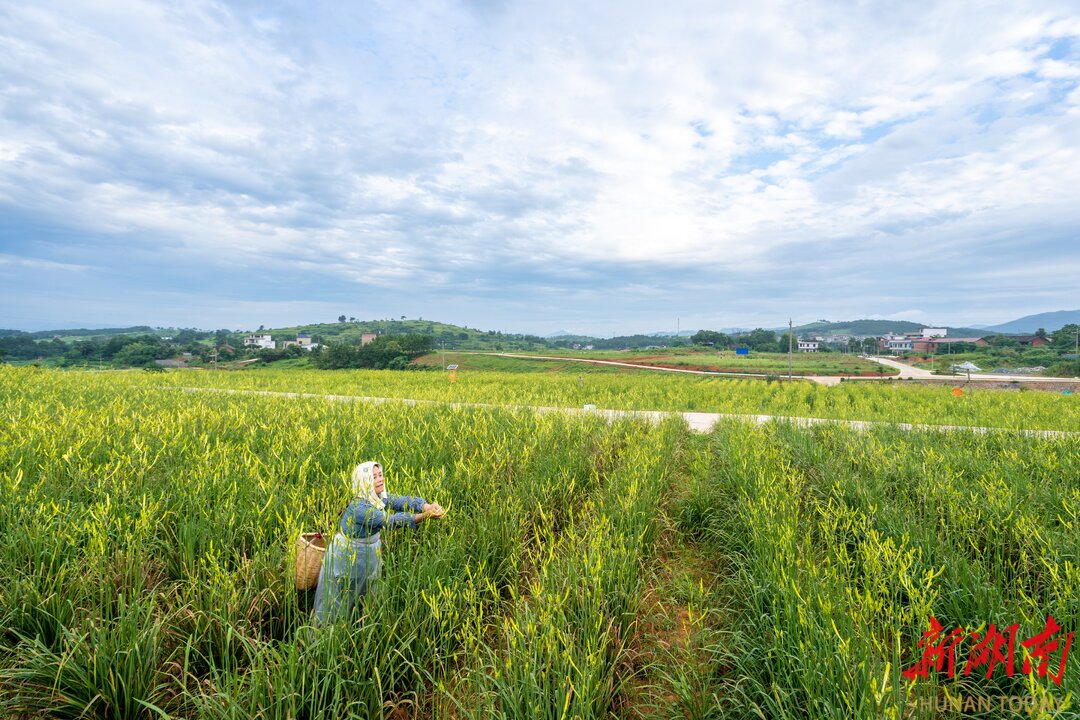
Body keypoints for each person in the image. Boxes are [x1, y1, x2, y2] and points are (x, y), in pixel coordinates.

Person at [313, 461, 445, 624]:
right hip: (346, 555)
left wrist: (426, 506)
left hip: (366, 554)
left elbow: (401, 501)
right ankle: (327, 634)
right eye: (373, 477)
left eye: (380, 475)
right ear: (364, 482)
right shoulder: (359, 507)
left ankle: (357, 626)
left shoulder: (378, 497)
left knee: (364, 593)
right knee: (336, 597)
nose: (379, 479)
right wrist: (424, 516)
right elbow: (390, 521)